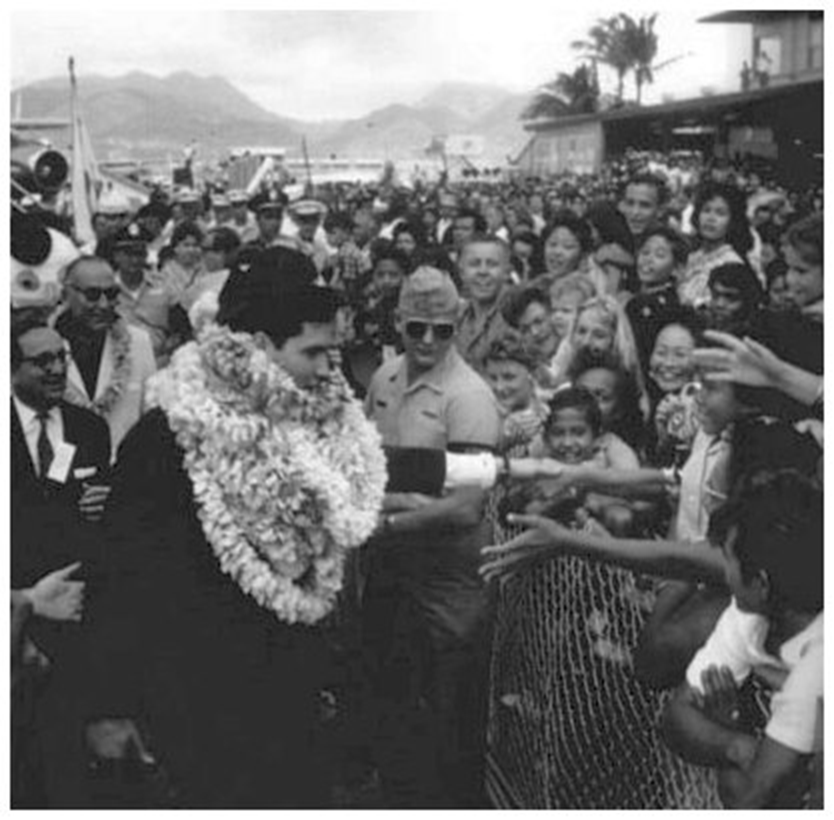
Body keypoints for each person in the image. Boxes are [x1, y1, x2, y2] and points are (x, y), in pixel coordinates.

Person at [86, 251, 385, 808]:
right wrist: (109, 705)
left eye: (331, 352)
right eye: (312, 352)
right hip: (201, 696)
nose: (328, 370)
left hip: (288, 690)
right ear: (259, 345)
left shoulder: (309, 427)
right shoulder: (169, 436)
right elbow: (119, 574)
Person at [363, 266, 501, 807]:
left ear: (459, 324)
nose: (427, 341)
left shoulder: (469, 397)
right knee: (387, 698)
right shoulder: (384, 378)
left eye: (441, 330)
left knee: (452, 717)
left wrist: (387, 520)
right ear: (398, 321)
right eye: (415, 327)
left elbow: (467, 507)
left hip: (448, 581)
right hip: (392, 569)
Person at [661, 470, 822, 808]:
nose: (725, 573)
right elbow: (677, 717)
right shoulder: (748, 616)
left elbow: (751, 800)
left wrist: (724, 730)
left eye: (730, 559)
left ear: (760, 584)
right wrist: (736, 743)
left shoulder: (818, 664)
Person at [11, 315, 112, 807]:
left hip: (74, 611)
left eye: (61, 358)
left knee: (66, 751)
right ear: (12, 368)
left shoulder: (88, 428)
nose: (56, 369)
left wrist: (106, 506)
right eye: (42, 361)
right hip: (15, 609)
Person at [56, 256, 157, 459]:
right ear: (66, 294)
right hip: (61, 470)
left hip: (123, 469)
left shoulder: (138, 342)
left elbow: (150, 414)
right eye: (92, 295)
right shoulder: (43, 347)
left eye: (110, 294)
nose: (103, 305)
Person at [679, 183, 756, 308]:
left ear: (733, 221)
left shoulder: (731, 263)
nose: (710, 218)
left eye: (720, 213)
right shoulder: (691, 255)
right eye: (706, 210)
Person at [626, 226, 687, 373]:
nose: (648, 260)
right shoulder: (640, 299)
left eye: (659, 255)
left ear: (676, 268)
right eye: (645, 252)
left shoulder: (653, 305)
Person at [455, 236, 514, 373]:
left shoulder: (518, 315)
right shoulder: (455, 316)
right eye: (474, 264)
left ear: (507, 272)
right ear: (462, 273)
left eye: (492, 264)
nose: (483, 271)